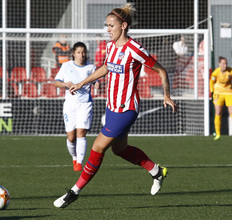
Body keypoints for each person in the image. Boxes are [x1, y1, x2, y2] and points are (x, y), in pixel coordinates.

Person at [53, 3, 177, 208]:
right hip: (112, 108)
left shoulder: (135, 49)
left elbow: (161, 70)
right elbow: (105, 68)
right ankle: (156, 171)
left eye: (111, 26)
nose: (108, 29)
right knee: (120, 149)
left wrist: (166, 95)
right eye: (107, 25)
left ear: (124, 26)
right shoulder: (110, 47)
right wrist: (82, 82)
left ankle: (74, 191)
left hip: (127, 109)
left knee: (98, 147)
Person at [54, 42, 100, 172]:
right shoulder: (66, 66)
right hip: (70, 104)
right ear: (74, 53)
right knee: (71, 137)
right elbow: (56, 83)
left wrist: (97, 84)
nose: (81, 55)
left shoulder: (91, 68)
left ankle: (79, 163)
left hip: (85, 104)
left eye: (83, 52)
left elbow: (97, 80)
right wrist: (64, 84)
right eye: (79, 52)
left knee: (81, 132)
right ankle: (74, 157)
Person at [210, 56, 232, 141]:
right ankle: (218, 134)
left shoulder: (231, 71)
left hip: (229, 92)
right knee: (218, 112)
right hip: (218, 93)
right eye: (223, 63)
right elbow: (211, 82)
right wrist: (212, 93)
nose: (225, 65)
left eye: (226, 63)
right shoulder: (215, 73)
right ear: (219, 64)